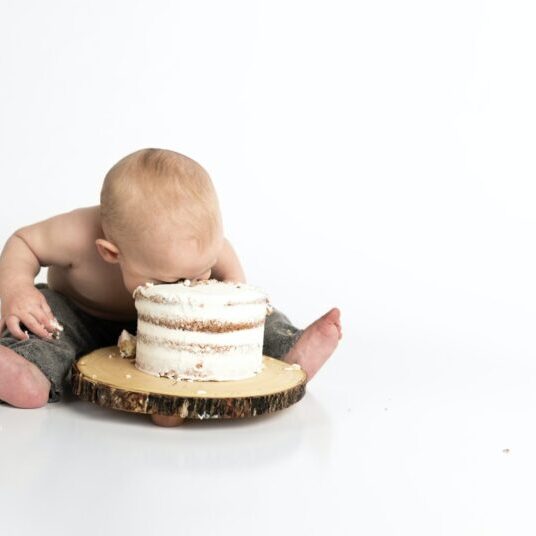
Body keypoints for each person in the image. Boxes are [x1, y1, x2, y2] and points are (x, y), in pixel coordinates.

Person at [0, 148, 342, 408]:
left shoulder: (194, 245)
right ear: (110, 252)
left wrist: (236, 303)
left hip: (176, 330)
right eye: (170, 281)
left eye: (200, 272)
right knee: (45, 324)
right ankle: (25, 369)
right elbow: (23, 242)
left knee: (256, 316)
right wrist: (17, 289)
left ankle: (289, 349)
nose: (185, 287)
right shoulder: (75, 235)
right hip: (81, 315)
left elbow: (228, 266)